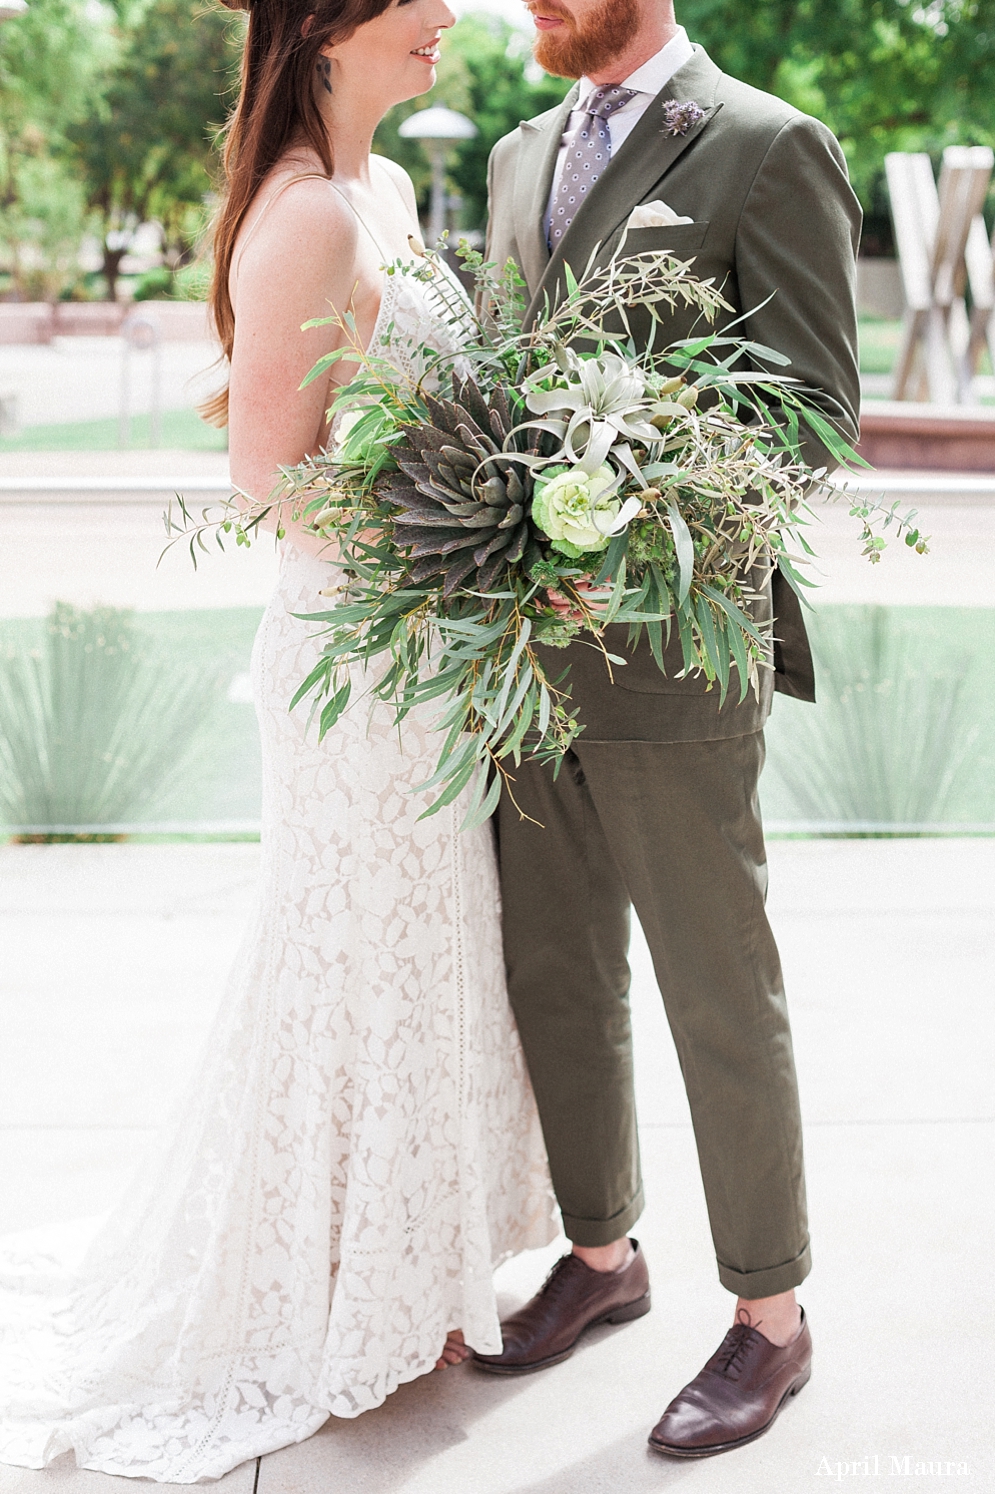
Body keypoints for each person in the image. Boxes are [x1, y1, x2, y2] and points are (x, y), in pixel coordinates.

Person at [0, 1, 557, 1482]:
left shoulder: (374, 189)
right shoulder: (308, 214)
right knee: (358, 948)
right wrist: (446, 566)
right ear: (328, 28)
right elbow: (265, 469)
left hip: (422, 658)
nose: (448, 15)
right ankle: (333, 1289)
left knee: (422, 945)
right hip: (359, 662)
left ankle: (406, 1272)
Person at [476, 0, 860, 1460]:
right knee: (556, 965)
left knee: (715, 986)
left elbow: (813, 415)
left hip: (675, 661)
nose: (535, 7)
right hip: (517, 653)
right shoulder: (519, 155)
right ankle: (602, 1253)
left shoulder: (766, 146)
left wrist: (625, 514)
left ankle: (772, 1317)